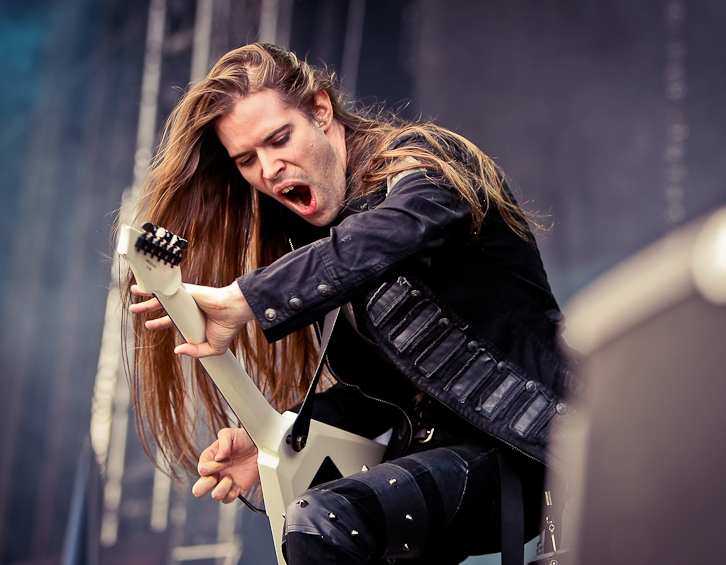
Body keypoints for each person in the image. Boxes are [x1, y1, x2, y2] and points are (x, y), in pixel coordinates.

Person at [125, 43, 574, 565]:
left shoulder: (425, 162)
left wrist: (248, 297)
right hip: (455, 460)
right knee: (325, 526)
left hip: (546, 440)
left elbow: (396, 230)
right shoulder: (324, 250)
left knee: (325, 518)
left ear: (321, 111)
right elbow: (374, 397)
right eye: (247, 159)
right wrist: (279, 435)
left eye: (279, 139)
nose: (269, 168)